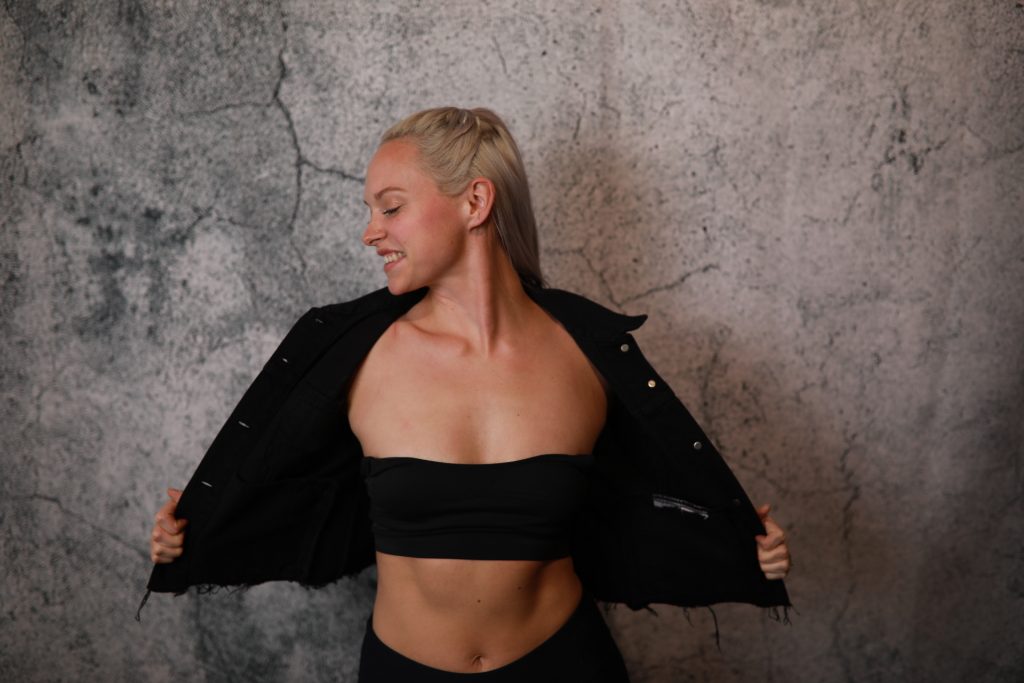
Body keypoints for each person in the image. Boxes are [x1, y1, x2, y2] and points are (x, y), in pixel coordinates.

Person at [146, 107, 792, 681]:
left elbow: (641, 500)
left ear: (475, 202)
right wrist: (192, 534)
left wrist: (743, 544)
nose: (370, 232)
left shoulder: (589, 352)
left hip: (565, 664)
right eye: (370, 211)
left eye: (391, 206)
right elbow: (285, 490)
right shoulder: (352, 354)